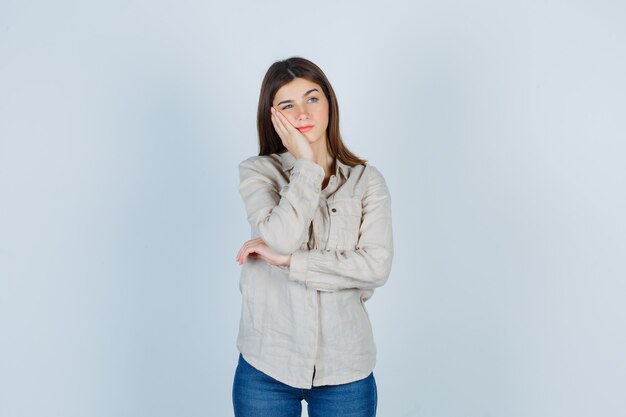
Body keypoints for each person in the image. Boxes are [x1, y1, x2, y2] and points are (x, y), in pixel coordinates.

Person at [232, 57, 394, 417]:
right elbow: (281, 240)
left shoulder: (367, 181)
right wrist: (306, 164)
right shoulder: (258, 173)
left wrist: (292, 263)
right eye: (288, 105)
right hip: (266, 367)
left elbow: (376, 267)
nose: (302, 112)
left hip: (346, 368)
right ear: (272, 115)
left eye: (312, 98)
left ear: (329, 104)